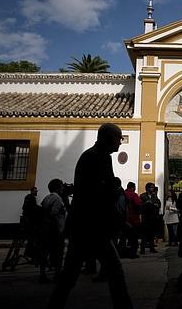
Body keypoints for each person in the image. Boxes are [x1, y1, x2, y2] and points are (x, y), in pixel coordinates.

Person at [48, 123, 133, 309]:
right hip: (91, 226)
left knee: (71, 273)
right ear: (109, 137)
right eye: (118, 137)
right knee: (114, 271)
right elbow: (96, 194)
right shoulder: (95, 158)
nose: (120, 141)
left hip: (86, 226)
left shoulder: (97, 156)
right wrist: (119, 217)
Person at [39, 178, 67, 283]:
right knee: (58, 253)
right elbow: (53, 214)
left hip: (46, 229)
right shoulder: (58, 199)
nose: (63, 187)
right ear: (58, 188)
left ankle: (42, 274)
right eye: (61, 186)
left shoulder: (47, 198)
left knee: (45, 252)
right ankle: (57, 275)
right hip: (56, 230)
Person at [139, 182, 161, 254]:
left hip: (153, 217)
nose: (152, 188)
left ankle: (152, 248)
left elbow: (158, 204)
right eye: (151, 187)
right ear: (147, 188)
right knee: (144, 234)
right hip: (146, 217)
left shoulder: (154, 196)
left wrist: (152, 204)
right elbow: (144, 204)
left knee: (152, 234)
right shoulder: (143, 195)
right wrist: (151, 204)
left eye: (153, 187)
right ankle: (142, 249)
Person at [22, 186, 42, 261]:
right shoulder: (30, 198)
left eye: (37, 191)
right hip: (30, 222)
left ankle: (30, 254)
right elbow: (32, 207)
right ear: (32, 191)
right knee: (32, 239)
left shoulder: (30, 197)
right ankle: (31, 255)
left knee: (31, 239)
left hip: (29, 221)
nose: (36, 192)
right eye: (35, 191)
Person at [124, 181, 142, 259]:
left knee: (123, 238)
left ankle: (123, 253)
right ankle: (133, 254)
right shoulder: (133, 195)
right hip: (133, 218)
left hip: (123, 219)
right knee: (134, 239)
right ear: (132, 187)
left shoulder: (123, 194)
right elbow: (138, 204)